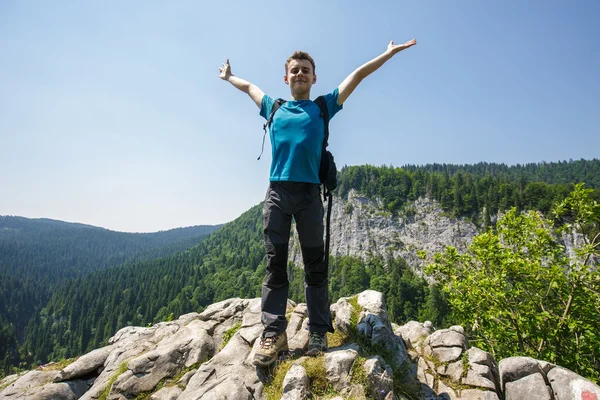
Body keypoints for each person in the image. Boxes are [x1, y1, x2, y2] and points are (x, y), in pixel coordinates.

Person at [218, 39, 417, 367]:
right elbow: (249, 87)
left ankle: (318, 332)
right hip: (278, 194)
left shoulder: (324, 107)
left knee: (315, 266)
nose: (299, 74)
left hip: (310, 195)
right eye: (294, 70)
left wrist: (387, 53)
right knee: (275, 264)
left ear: (313, 78)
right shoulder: (274, 107)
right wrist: (228, 77)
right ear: (286, 78)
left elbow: (356, 76)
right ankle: (273, 333)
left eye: (305, 71)